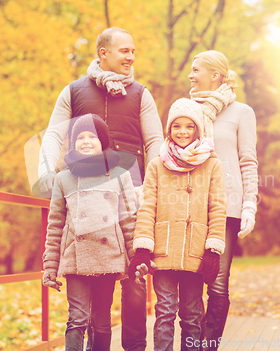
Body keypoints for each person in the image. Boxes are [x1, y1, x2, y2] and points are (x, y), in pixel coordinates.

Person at [37, 27, 163, 351]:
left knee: (135, 281)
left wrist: (151, 189)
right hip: (87, 198)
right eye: (125, 51)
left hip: (131, 195)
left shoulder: (141, 94)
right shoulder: (74, 91)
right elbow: (53, 134)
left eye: (133, 51)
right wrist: (46, 171)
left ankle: (134, 346)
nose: (131, 57)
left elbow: (155, 143)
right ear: (103, 53)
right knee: (92, 293)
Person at [129, 98, 227, 351]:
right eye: (176, 126)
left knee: (193, 313)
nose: (182, 132)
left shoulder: (212, 164)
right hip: (164, 251)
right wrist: (142, 248)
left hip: (196, 251)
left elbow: (217, 208)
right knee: (164, 311)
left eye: (189, 126)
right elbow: (147, 207)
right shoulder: (156, 166)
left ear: (198, 130)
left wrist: (213, 250)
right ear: (169, 130)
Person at [42, 114, 138, 351]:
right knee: (77, 318)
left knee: (102, 319)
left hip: (108, 256)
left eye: (92, 137)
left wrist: (136, 258)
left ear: (102, 140)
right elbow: (55, 224)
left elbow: (128, 220)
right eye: (80, 137)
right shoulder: (63, 177)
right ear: (73, 142)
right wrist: (50, 266)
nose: (86, 141)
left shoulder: (120, 174)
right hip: (76, 257)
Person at [188, 50, 258, 350]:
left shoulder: (242, 112)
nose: (190, 75)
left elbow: (248, 161)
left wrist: (249, 205)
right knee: (189, 282)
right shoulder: (185, 109)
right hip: (189, 206)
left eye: (196, 70)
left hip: (226, 207)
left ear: (215, 74)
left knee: (217, 282)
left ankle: (209, 345)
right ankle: (192, 342)